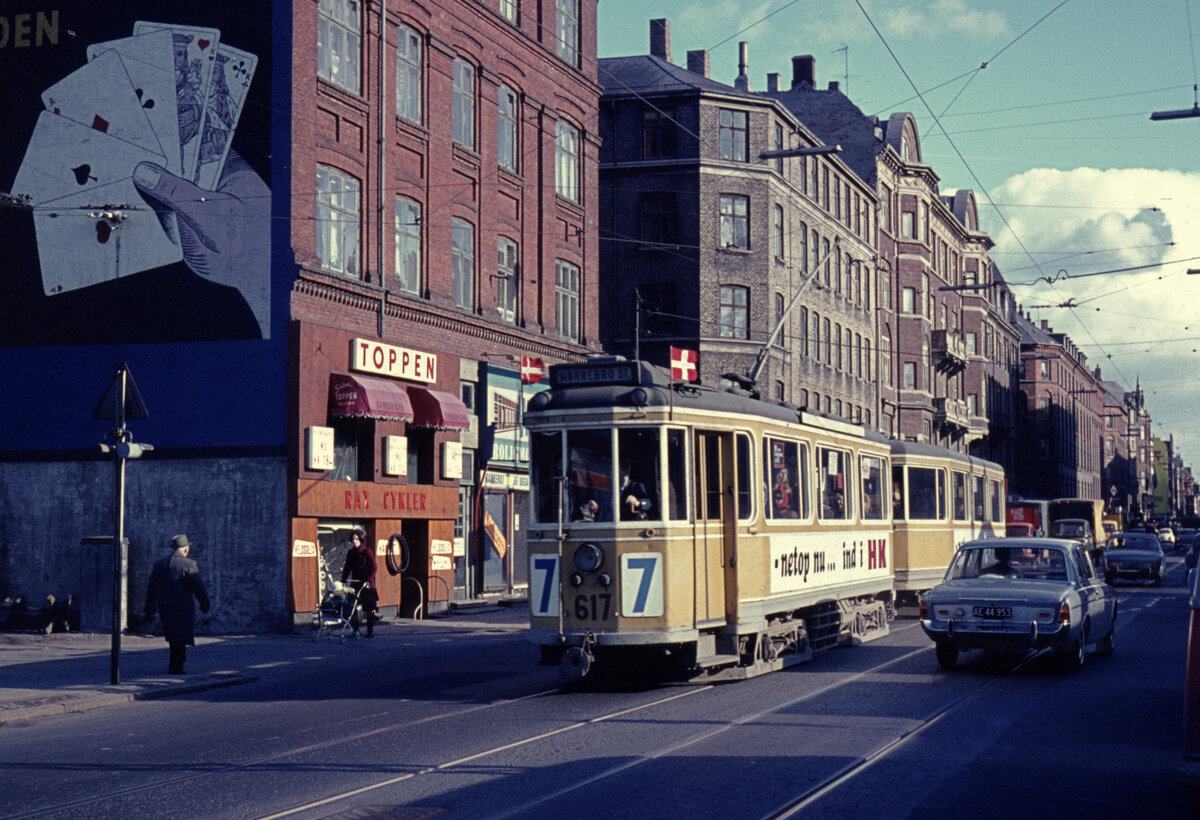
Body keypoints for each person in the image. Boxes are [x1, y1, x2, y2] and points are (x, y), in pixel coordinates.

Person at [144, 534, 211, 674]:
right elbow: (198, 586)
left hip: (165, 607)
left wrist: (149, 609)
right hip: (183, 607)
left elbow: (152, 589)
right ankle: (177, 665)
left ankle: (175, 664)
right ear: (186, 550)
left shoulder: (160, 565)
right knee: (181, 635)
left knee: (172, 635)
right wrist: (204, 603)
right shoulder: (189, 564)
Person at [342, 527, 379, 637]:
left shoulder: (367, 552)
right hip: (356, 582)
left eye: (356, 539)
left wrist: (368, 579)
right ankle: (355, 629)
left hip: (367, 584)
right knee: (352, 606)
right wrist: (343, 579)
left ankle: (370, 630)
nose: (354, 541)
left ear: (361, 540)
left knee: (369, 607)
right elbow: (347, 567)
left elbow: (374, 567)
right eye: (353, 539)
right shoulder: (351, 553)